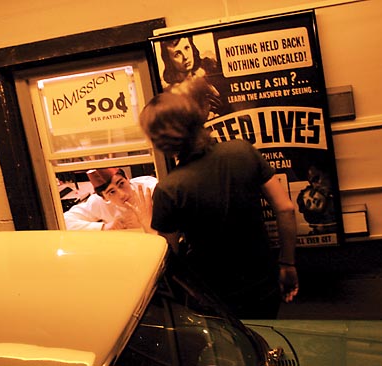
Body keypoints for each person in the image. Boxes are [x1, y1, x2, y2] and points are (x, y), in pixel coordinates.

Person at [138, 91, 299, 319]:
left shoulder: (169, 189)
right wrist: (287, 263)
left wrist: (147, 227)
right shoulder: (243, 151)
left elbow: (168, 255)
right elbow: (285, 208)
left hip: (213, 295)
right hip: (264, 283)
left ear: (161, 141)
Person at [63, 167, 157, 233]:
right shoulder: (98, 202)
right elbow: (65, 221)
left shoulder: (150, 188)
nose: (122, 195)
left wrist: (147, 222)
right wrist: (105, 227)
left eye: (121, 184)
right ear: (104, 197)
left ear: (127, 178)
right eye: (112, 192)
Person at [160, 36, 226, 119]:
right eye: (177, 54)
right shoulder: (171, 94)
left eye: (187, 48)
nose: (185, 57)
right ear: (169, 61)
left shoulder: (205, 77)